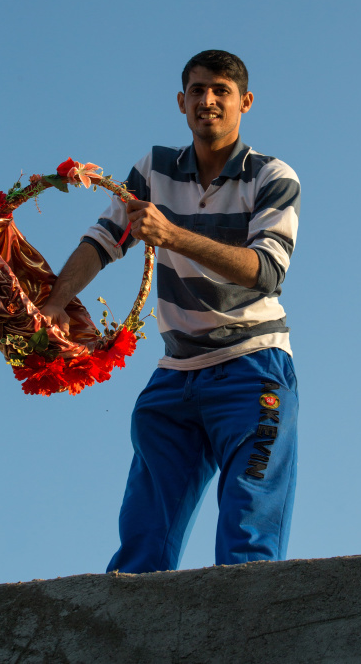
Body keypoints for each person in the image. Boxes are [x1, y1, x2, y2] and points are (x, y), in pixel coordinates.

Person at [42, 50, 301, 574]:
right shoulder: (154, 168)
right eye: (198, 90)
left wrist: (174, 235)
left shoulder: (272, 176)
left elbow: (267, 270)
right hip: (176, 373)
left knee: (247, 539)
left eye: (221, 91)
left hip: (253, 366)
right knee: (141, 543)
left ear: (244, 102)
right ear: (181, 102)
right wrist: (51, 303)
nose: (208, 100)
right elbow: (104, 238)